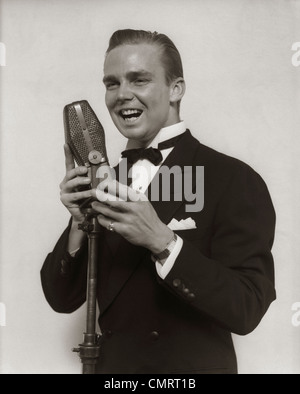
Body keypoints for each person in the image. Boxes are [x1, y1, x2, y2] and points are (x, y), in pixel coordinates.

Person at [41, 29, 276, 374]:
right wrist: (79, 221)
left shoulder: (233, 178)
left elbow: (247, 308)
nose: (122, 95)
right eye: (111, 83)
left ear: (175, 89)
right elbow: (61, 299)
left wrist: (162, 241)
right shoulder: (108, 180)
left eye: (139, 80)